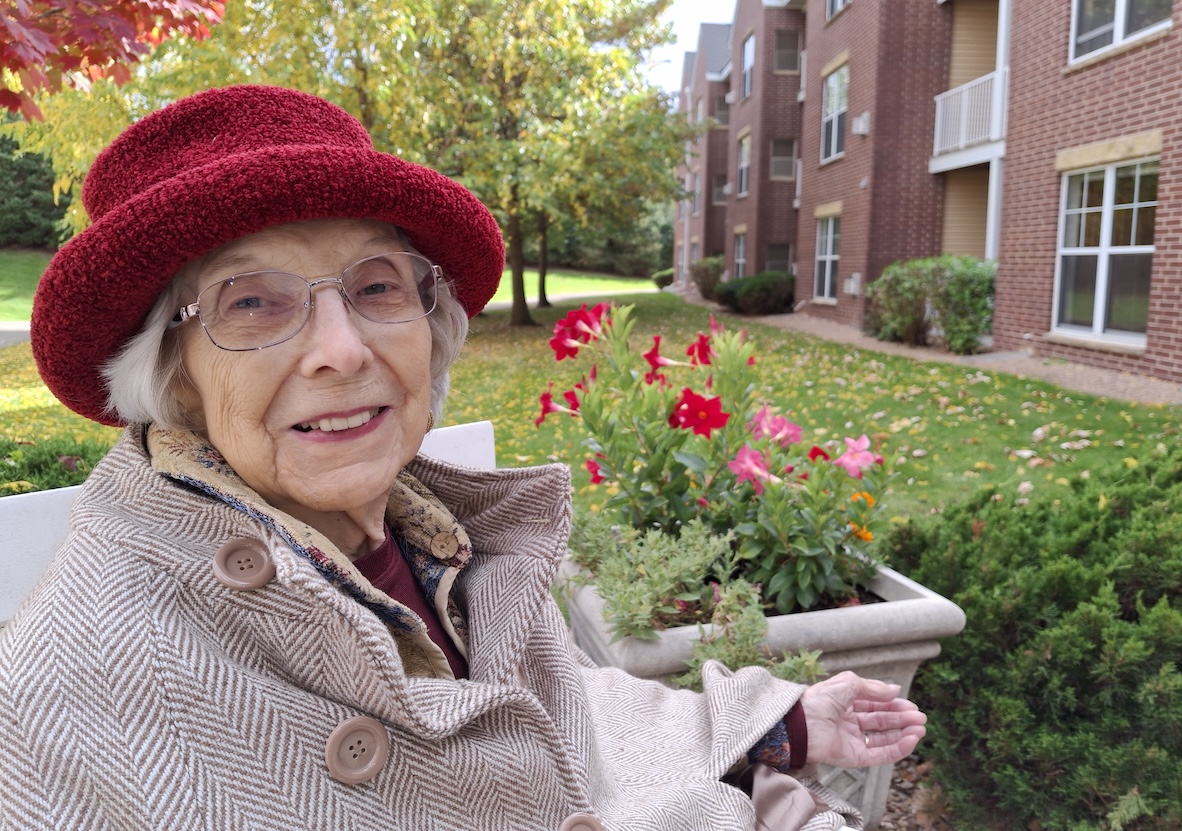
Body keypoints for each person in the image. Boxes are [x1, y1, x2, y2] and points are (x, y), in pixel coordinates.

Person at [0, 85, 926, 831]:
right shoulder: (65, 693)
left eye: (376, 286)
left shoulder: (441, 537)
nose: (345, 348)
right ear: (173, 373)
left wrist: (777, 729)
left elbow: (549, 722)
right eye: (252, 302)